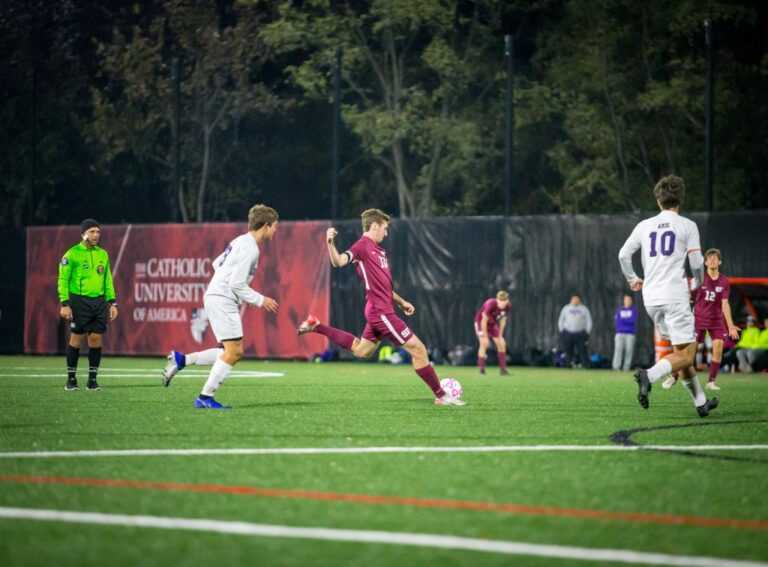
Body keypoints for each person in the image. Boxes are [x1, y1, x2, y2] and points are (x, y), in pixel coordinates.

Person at [296, 208, 465, 406]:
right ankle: (441, 395)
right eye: (384, 228)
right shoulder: (362, 246)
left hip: (381, 309)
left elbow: (383, 285)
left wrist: (401, 302)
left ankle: (316, 325)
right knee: (419, 350)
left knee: (362, 351)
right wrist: (330, 243)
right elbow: (338, 261)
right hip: (380, 312)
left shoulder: (379, 251)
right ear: (374, 226)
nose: (386, 233)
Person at [618, 175, 718, 417]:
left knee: (680, 352)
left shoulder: (644, 226)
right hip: (675, 296)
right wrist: (696, 284)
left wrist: (633, 279)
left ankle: (701, 402)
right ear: (680, 200)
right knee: (688, 354)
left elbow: (623, 255)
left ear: (658, 200)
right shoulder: (686, 226)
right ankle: (648, 375)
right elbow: (696, 262)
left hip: (651, 299)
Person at [162, 204, 279, 409]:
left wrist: (238, 294)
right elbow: (235, 283)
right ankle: (205, 397)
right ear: (266, 225)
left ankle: (181, 360)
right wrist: (260, 299)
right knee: (234, 352)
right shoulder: (251, 248)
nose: (275, 230)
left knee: (226, 350)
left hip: (218, 296)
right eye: (274, 226)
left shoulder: (240, 241)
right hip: (222, 298)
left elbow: (218, 264)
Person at [662, 248, 739, 390]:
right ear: (705, 262)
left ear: (720, 262)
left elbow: (725, 304)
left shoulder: (724, 281)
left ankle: (711, 382)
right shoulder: (699, 278)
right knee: (688, 353)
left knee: (718, 348)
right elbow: (684, 294)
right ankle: (674, 376)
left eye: (715, 258)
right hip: (698, 319)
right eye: (709, 258)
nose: (712, 260)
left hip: (716, 321)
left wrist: (731, 325)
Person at [58, 219, 118, 391]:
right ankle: (71, 380)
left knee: (96, 339)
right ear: (83, 233)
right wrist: (64, 303)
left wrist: (112, 303)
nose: (96, 235)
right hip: (79, 301)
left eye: (98, 232)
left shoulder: (102, 254)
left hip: (98, 303)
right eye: (92, 231)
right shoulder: (72, 254)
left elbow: (107, 280)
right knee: (76, 339)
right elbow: (63, 280)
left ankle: (92, 381)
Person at [474, 291, 512, 375]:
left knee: (502, 343)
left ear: (507, 300)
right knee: (484, 344)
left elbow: (503, 320)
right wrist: (485, 336)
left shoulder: (508, 306)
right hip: (480, 322)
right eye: (500, 300)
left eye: (504, 300)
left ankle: (503, 370)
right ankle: (481, 370)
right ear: (497, 299)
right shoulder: (490, 304)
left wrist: (500, 335)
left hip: (492, 324)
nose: (502, 303)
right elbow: (484, 320)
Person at [557, 295, 592, 368]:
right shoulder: (566, 308)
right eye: (574, 299)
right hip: (568, 333)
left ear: (579, 300)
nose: (575, 300)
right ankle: (567, 366)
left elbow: (589, 321)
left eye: (577, 299)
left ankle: (585, 366)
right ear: (571, 300)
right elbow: (561, 320)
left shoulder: (584, 309)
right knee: (568, 351)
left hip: (580, 333)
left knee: (582, 351)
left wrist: (587, 331)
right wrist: (562, 330)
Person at [612, 294, 637, 371]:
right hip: (620, 333)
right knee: (618, 349)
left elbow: (632, 320)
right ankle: (616, 367)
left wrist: (623, 320)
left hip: (630, 333)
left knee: (629, 350)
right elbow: (617, 321)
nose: (627, 301)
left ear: (631, 301)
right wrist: (627, 320)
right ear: (624, 300)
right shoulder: (619, 310)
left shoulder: (634, 310)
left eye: (629, 300)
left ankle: (626, 367)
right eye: (626, 299)